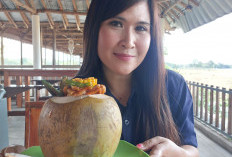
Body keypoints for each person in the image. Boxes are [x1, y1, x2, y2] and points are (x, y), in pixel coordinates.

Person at [76, 0, 199, 156]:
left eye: (141, 28)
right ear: (94, 29)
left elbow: (191, 149)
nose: (128, 42)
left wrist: (180, 153)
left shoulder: (174, 86)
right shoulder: (73, 95)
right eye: (116, 23)